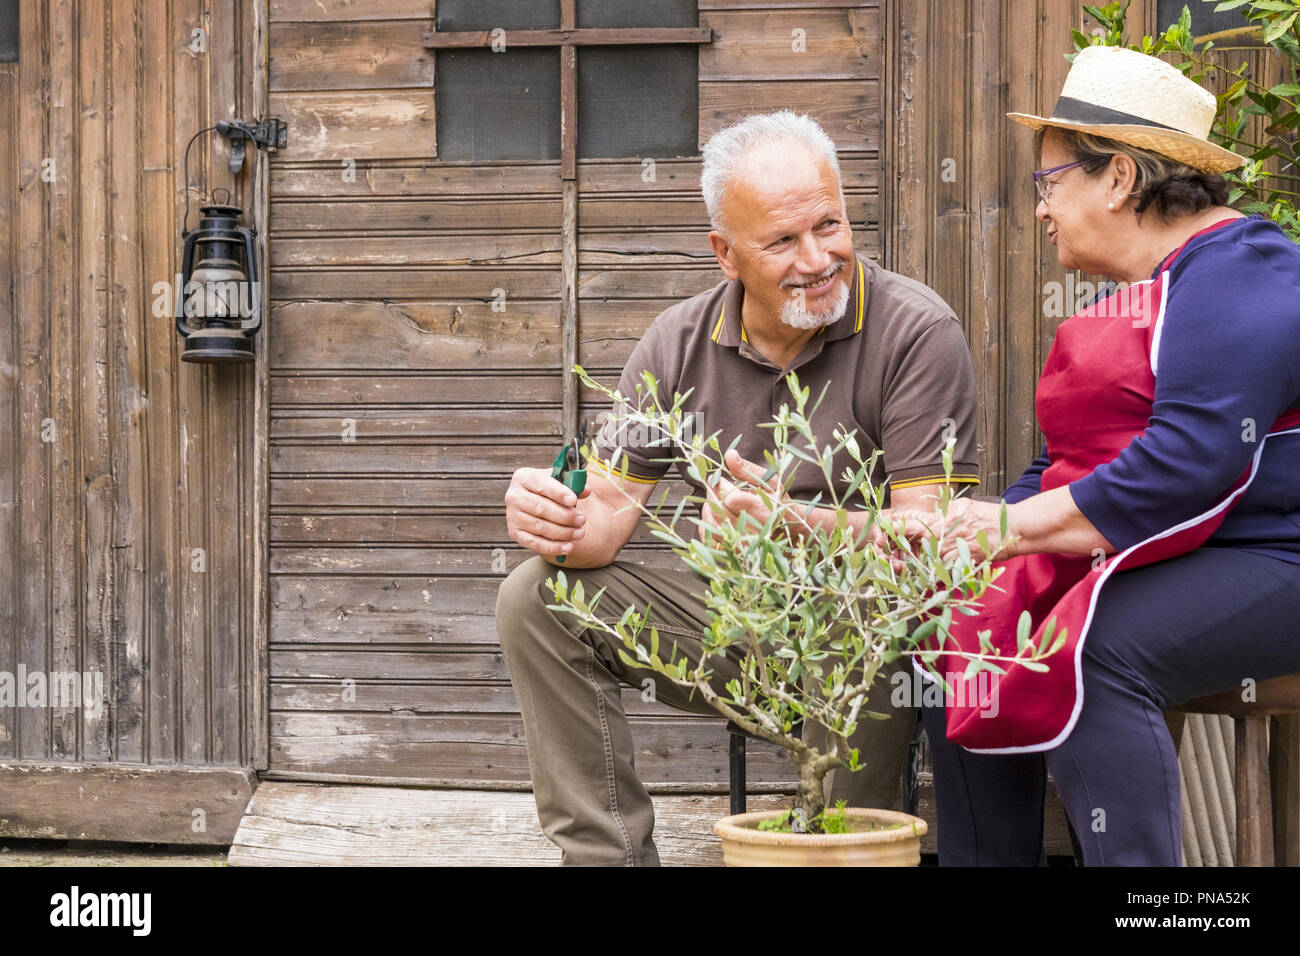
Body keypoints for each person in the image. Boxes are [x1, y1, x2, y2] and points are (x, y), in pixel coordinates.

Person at [495, 111, 982, 865]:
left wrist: (797, 526)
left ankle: (845, 842)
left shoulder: (918, 332)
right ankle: (607, 857)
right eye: (783, 241)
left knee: (857, 720)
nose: (819, 259)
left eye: (830, 225)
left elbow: (934, 551)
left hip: (871, 636)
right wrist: (550, 513)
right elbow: (602, 524)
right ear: (725, 253)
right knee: (538, 595)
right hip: (732, 633)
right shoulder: (674, 344)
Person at [891, 45, 1300, 866]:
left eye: (1048, 184)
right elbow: (1065, 468)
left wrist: (1006, 527)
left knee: (1094, 646)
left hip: (1277, 556)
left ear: (1116, 177)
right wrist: (968, 546)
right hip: (1184, 559)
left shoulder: (1246, 273)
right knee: (959, 616)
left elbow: (1191, 462)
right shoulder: (1156, 291)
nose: (1040, 210)